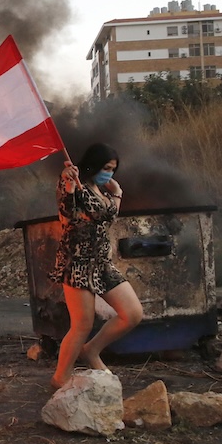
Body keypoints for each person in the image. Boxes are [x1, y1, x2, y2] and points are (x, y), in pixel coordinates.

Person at [49, 143, 143, 389]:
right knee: (82, 324)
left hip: (101, 263)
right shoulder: (74, 184)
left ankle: (91, 351)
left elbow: (108, 217)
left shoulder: (99, 190)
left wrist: (117, 192)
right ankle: (60, 378)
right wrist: (67, 183)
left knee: (132, 313)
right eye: (106, 168)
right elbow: (67, 213)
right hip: (77, 262)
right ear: (94, 164)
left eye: (113, 169)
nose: (109, 173)